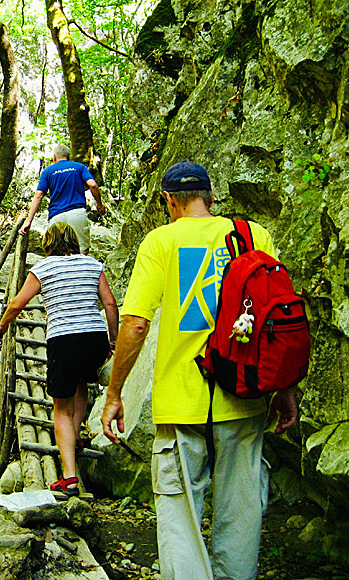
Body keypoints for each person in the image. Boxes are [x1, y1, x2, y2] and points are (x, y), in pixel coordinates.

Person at [100, 161, 299, 580]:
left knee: (178, 513)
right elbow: (276, 323)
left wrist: (115, 393)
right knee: (241, 510)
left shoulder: (161, 242)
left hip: (181, 402)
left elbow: (136, 324)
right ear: (210, 197)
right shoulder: (251, 236)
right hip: (244, 394)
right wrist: (284, 390)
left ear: (170, 201)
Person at [0, 222, 118, 495]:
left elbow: (17, 303)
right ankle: (76, 438)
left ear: (47, 243)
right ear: (74, 240)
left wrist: (2, 325)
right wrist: (113, 340)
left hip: (64, 340)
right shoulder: (92, 264)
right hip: (94, 337)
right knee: (82, 384)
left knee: (60, 409)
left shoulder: (43, 268)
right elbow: (109, 303)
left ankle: (69, 477)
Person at [20, 144, 106, 255]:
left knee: (57, 254)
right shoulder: (79, 167)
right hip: (77, 213)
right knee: (81, 251)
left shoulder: (48, 171)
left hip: (56, 216)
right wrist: (99, 205)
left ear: (54, 157)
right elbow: (93, 185)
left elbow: (38, 196)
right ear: (69, 157)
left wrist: (28, 221)